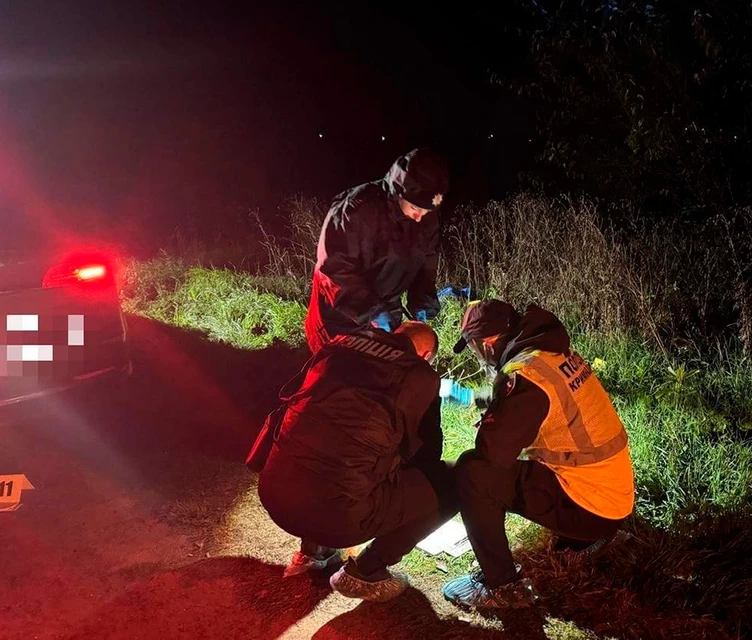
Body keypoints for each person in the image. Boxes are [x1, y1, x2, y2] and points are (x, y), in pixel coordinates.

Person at [440, 300, 635, 609]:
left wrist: (492, 416)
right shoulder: (549, 353)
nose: (480, 357)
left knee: (472, 472)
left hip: (591, 509)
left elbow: (493, 453)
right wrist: (481, 400)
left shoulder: (525, 377)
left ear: (488, 343)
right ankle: (580, 540)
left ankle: (501, 584)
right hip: (614, 496)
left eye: (476, 349)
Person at [257, 321, 457, 602]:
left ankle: (312, 553)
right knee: (453, 480)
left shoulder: (340, 346)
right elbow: (427, 457)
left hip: (274, 494)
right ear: (424, 355)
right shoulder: (419, 375)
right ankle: (368, 570)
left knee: (330, 450)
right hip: (338, 519)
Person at [304, 148, 450, 353]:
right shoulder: (356, 210)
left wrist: (422, 303)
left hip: (387, 308)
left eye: (427, 212)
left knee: (384, 371)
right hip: (341, 315)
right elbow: (334, 270)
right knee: (339, 376)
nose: (420, 218)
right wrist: (372, 312)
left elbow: (426, 262)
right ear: (400, 192)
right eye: (415, 209)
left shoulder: (426, 218)